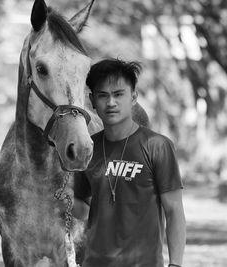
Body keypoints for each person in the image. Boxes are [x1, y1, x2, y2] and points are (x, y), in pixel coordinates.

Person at [73, 58, 186, 267]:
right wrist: (60, 199)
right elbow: (84, 210)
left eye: (118, 94)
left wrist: (176, 264)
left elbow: (174, 210)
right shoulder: (88, 149)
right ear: (92, 101)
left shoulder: (157, 146)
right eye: (103, 96)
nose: (111, 103)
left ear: (133, 97)